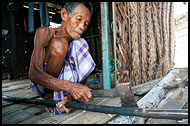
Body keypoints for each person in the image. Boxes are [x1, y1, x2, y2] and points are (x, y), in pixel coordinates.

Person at [29, 2, 95, 114]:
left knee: (81, 43)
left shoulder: (77, 44)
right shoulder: (45, 32)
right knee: (60, 44)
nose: (82, 27)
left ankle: (63, 97)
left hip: (65, 88)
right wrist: (71, 87)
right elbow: (34, 74)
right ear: (64, 14)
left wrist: (69, 97)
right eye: (79, 19)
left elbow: (83, 77)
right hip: (43, 84)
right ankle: (49, 94)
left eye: (86, 24)